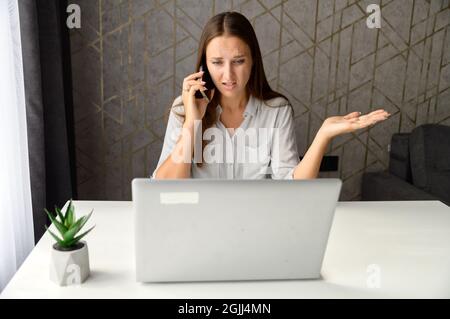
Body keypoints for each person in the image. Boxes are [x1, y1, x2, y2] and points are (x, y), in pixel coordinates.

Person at [152, 11, 390, 180]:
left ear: (253, 60)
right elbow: (163, 188)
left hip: (257, 229)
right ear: (204, 65)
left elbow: (292, 186)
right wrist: (192, 123)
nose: (228, 75)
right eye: (216, 63)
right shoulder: (183, 108)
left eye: (238, 61)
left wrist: (323, 134)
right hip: (198, 226)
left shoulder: (276, 111)